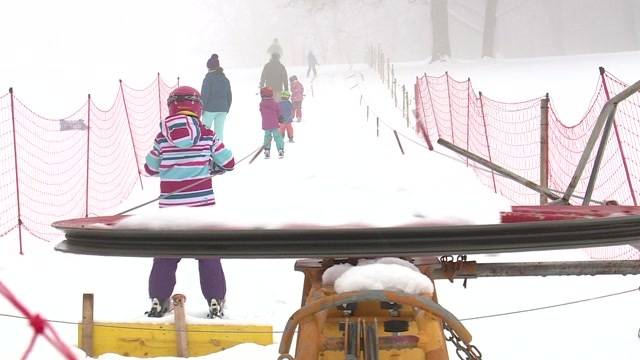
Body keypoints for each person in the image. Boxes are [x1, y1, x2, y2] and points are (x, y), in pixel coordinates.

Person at [143, 86, 235, 318]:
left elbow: (149, 168)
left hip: (169, 214)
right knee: (208, 255)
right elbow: (229, 162)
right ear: (198, 107)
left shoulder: (162, 137)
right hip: (201, 213)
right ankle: (215, 300)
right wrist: (210, 164)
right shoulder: (207, 134)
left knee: (165, 255)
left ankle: (158, 299)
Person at [201, 54, 232, 141]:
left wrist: (202, 109)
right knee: (219, 133)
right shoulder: (225, 79)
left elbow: (204, 95)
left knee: (205, 131)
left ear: (209, 67)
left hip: (210, 109)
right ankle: (219, 151)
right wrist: (226, 108)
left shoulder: (208, 79)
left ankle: (204, 149)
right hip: (223, 109)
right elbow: (229, 96)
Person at [259, 87, 285, 159]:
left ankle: (267, 150)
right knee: (277, 136)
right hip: (274, 123)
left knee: (267, 136)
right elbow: (278, 111)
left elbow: (261, 111)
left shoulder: (262, 104)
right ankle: (280, 149)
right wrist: (280, 118)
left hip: (266, 123)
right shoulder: (274, 103)